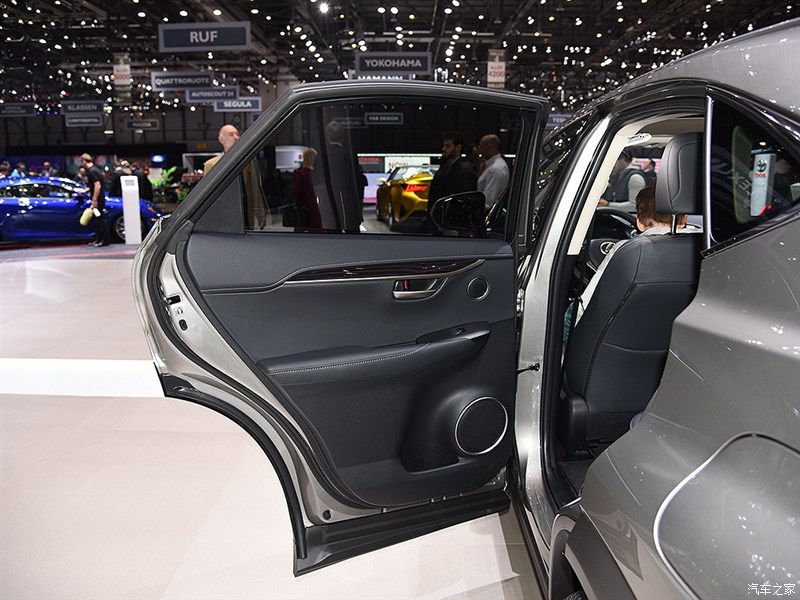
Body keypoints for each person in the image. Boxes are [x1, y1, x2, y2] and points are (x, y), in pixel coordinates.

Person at [568, 185, 689, 332]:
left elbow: (584, 307)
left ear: (640, 223)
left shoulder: (627, 251)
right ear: (684, 219)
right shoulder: (705, 247)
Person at [204, 124, 267, 228]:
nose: (236, 137)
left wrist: (260, 211)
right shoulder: (211, 165)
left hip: (246, 216)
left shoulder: (248, 162)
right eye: (231, 134)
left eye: (237, 134)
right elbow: (206, 196)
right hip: (223, 218)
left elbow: (255, 188)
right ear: (221, 140)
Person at [321, 120, 363, 232]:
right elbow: (357, 182)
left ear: (327, 136)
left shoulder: (322, 156)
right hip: (350, 205)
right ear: (343, 136)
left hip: (328, 208)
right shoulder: (351, 155)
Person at [428, 131, 478, 205]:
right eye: (444, 146)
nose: (443, 149)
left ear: (458, 147)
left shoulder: (464, 170)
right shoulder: (448, 167)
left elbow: (464, 198)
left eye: (447, 146)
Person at [81, 153, 110, 247]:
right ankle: (99, 239)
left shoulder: (92, 171)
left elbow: (97, 186)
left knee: (100, 219)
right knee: (98, 219)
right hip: (99, 197)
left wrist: (94, 200)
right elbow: (94, 185)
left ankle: (104, 240)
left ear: (84, 161)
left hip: (98, 198)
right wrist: (86, 190)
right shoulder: (95, 170)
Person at [291, 147, 323, 231]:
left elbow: (297, 191)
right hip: (315, 209)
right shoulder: (317, 174)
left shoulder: (301, 174)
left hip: (304, 209)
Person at [477, 133, 510, 211]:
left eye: (482, 147)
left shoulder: (496, 168)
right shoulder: (491, 166)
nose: (479, 150)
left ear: (490, 147)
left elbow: (488, 202)